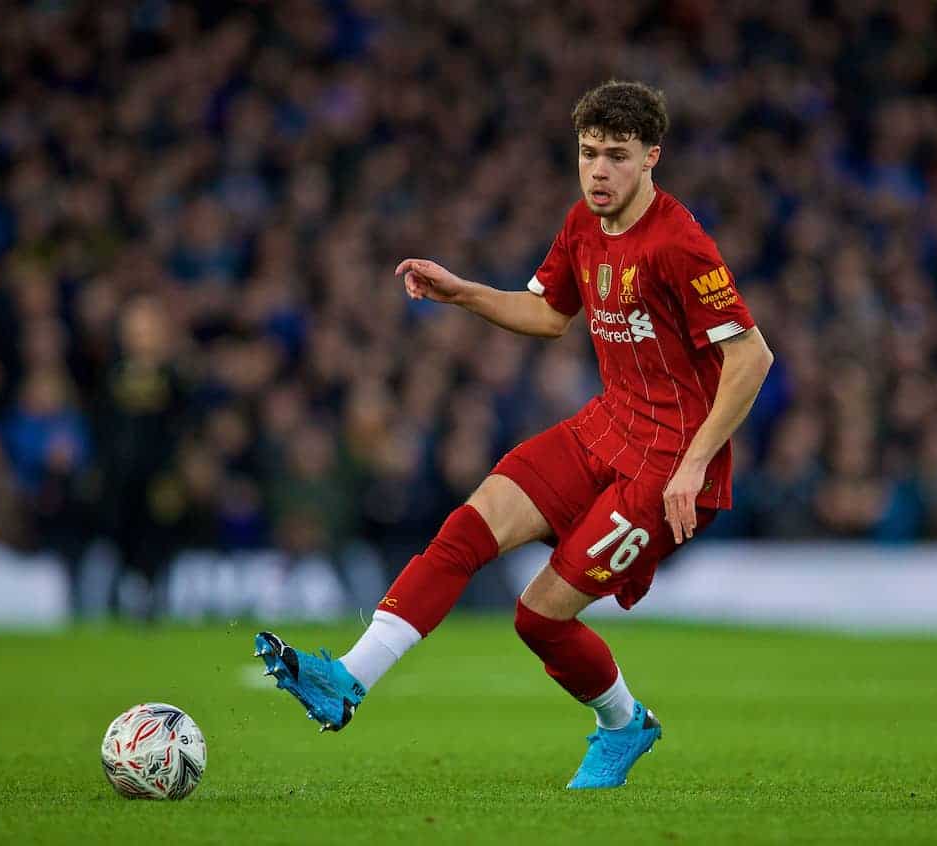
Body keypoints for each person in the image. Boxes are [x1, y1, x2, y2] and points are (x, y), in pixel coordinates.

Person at [254, 80, 773, 789]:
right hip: (607, 424)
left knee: (538, 619)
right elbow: (547, 312)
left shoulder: (679, 244)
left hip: (667, 462)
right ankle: (348, 678)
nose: (598, 171)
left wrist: (694, 466)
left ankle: (625, 725)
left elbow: (752, 356)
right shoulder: (583, 226)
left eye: (617, 156)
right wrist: (462, 291)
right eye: (588, 152)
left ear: (653, 157)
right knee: (469, 526)